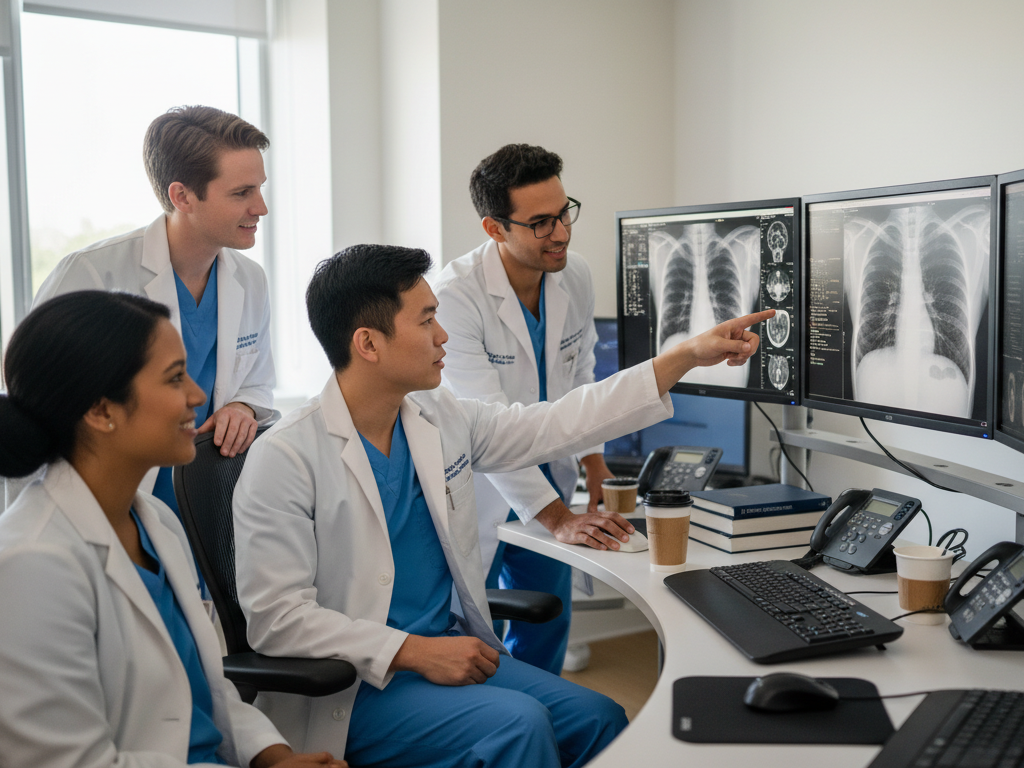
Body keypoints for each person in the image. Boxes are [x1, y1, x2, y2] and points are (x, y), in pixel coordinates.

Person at [233, 244, 769, 766]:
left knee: (600, 716)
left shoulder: (435, 416)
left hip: (447, 649)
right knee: (520, 725)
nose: (443, 336)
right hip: (357, 685)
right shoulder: (285, 457)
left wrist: (682, 357)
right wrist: (414, 652)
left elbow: (556, 421)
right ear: (369, 343)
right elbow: (277, 620)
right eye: (426, 322)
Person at [0, 291, 344, 768]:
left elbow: (204, 689)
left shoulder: (155, 523)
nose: (198, 395)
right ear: (101, 411)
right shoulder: (25, 569)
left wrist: (271, 756)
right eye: (175, 378)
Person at [433, 144, 622, 675]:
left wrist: (594, 462)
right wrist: (559, 518)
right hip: (476, 484)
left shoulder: (574, 275)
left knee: (547, 622)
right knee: (475, 637)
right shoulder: (455, 296)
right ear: (495, 229)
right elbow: (488, 429)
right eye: (540, 223)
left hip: (550, 472)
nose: (561, 233)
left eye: (564, 213)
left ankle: (546, 727)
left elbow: (578, 376)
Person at [34, 105, 275, 516]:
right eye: (241, 193)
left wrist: (243, 407)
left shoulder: (249, 280)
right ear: (181, 196)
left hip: (210, 509)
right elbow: (37, 400)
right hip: (103, 504)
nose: (261, 208)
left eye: (259, 188)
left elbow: (256, 381)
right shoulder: (92, 274)